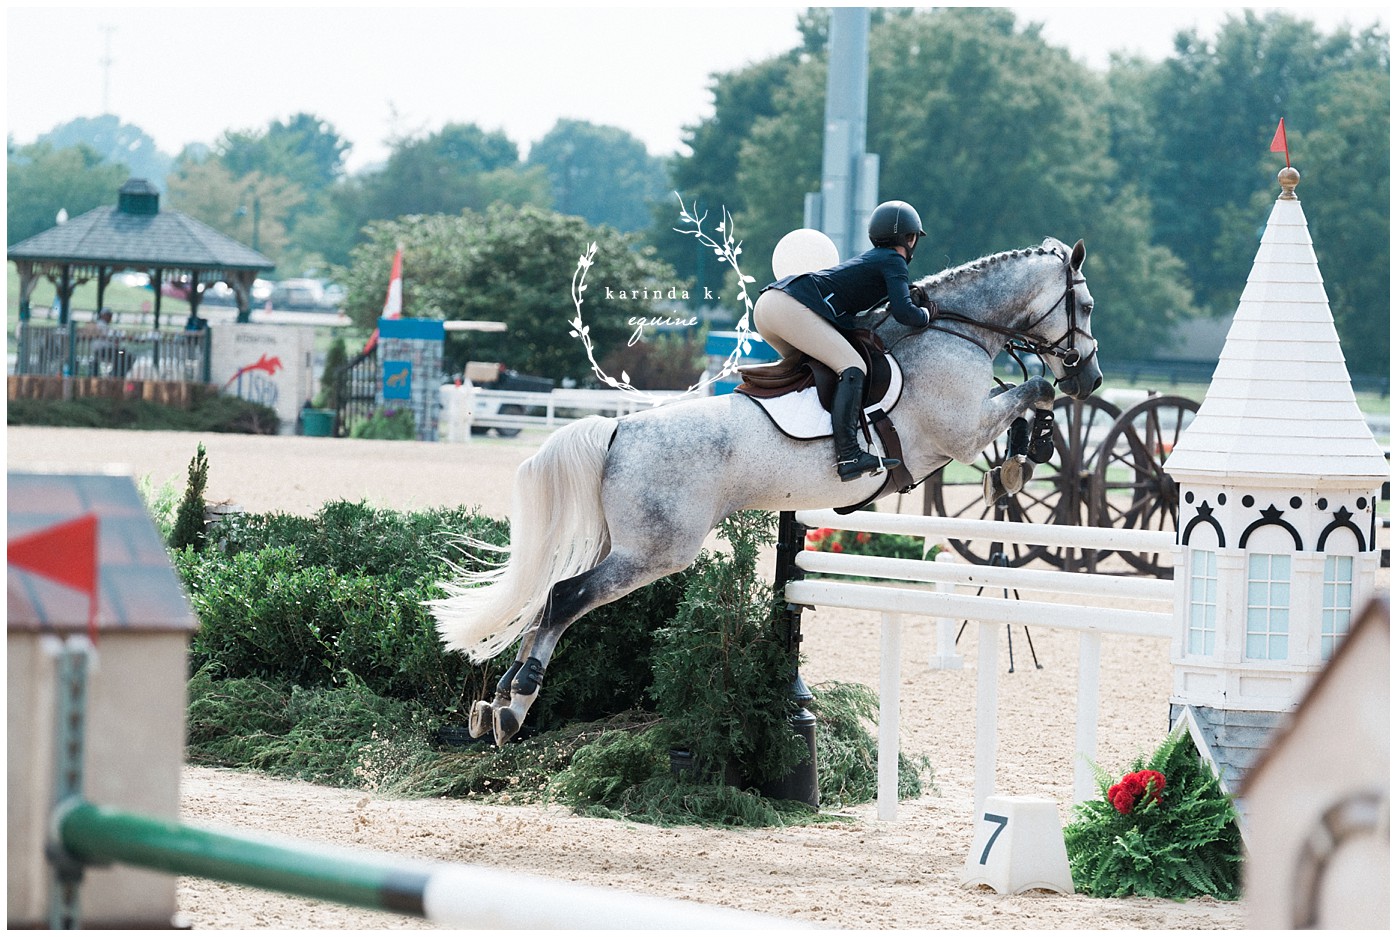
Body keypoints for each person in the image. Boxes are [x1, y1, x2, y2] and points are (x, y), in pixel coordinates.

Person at [753, 200, 934, 481]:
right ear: (910, 239)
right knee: (853, 366)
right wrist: (926, 314)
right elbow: (904, 313)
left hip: (768, 307)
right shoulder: (893, 260)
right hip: (789, 305)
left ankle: (802, 442)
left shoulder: (873, 260)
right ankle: (849, 454)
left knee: (813, 373)